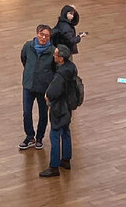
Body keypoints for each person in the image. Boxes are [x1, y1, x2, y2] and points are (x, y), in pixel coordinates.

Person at [40, 45, 80, 177]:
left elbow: (52, 92)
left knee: (55, 136)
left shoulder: (60, 75)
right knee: (66, 132)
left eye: (56, 54)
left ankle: (54, 167)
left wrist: (47, 96)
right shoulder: (71, 68)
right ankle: (66, 160)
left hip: (59, 108)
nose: (54, 56)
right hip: (68, 106)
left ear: (61, 58)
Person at [19, 24, 55, 151]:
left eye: (47, 36)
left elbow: (55, 69)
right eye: (41, 34)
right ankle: (30, 137)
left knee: (43, 114)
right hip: (28, 85)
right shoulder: (28, 46)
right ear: (37, 34)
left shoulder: (52, 51)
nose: (44, 38)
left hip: (43, 87)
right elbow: (24, 59)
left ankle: (39, 138)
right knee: (26, 112)